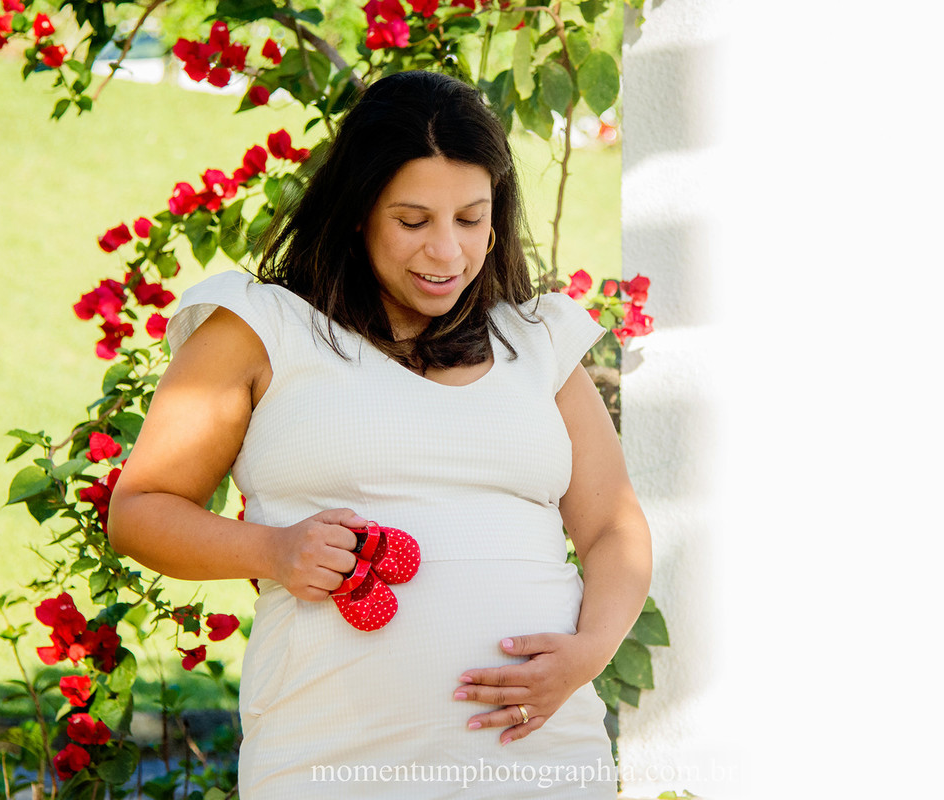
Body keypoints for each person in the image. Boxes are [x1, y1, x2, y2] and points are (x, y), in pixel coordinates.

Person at [108, 69, 651, 799]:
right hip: (334, 767)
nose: (447, 253)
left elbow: (615, 527)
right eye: (413, 220)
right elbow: (140, 510)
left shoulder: (537, 342)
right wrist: (273, 549)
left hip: (544, 767)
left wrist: (588, 653)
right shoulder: (263, 327)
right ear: (359, 210)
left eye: (469, 218)